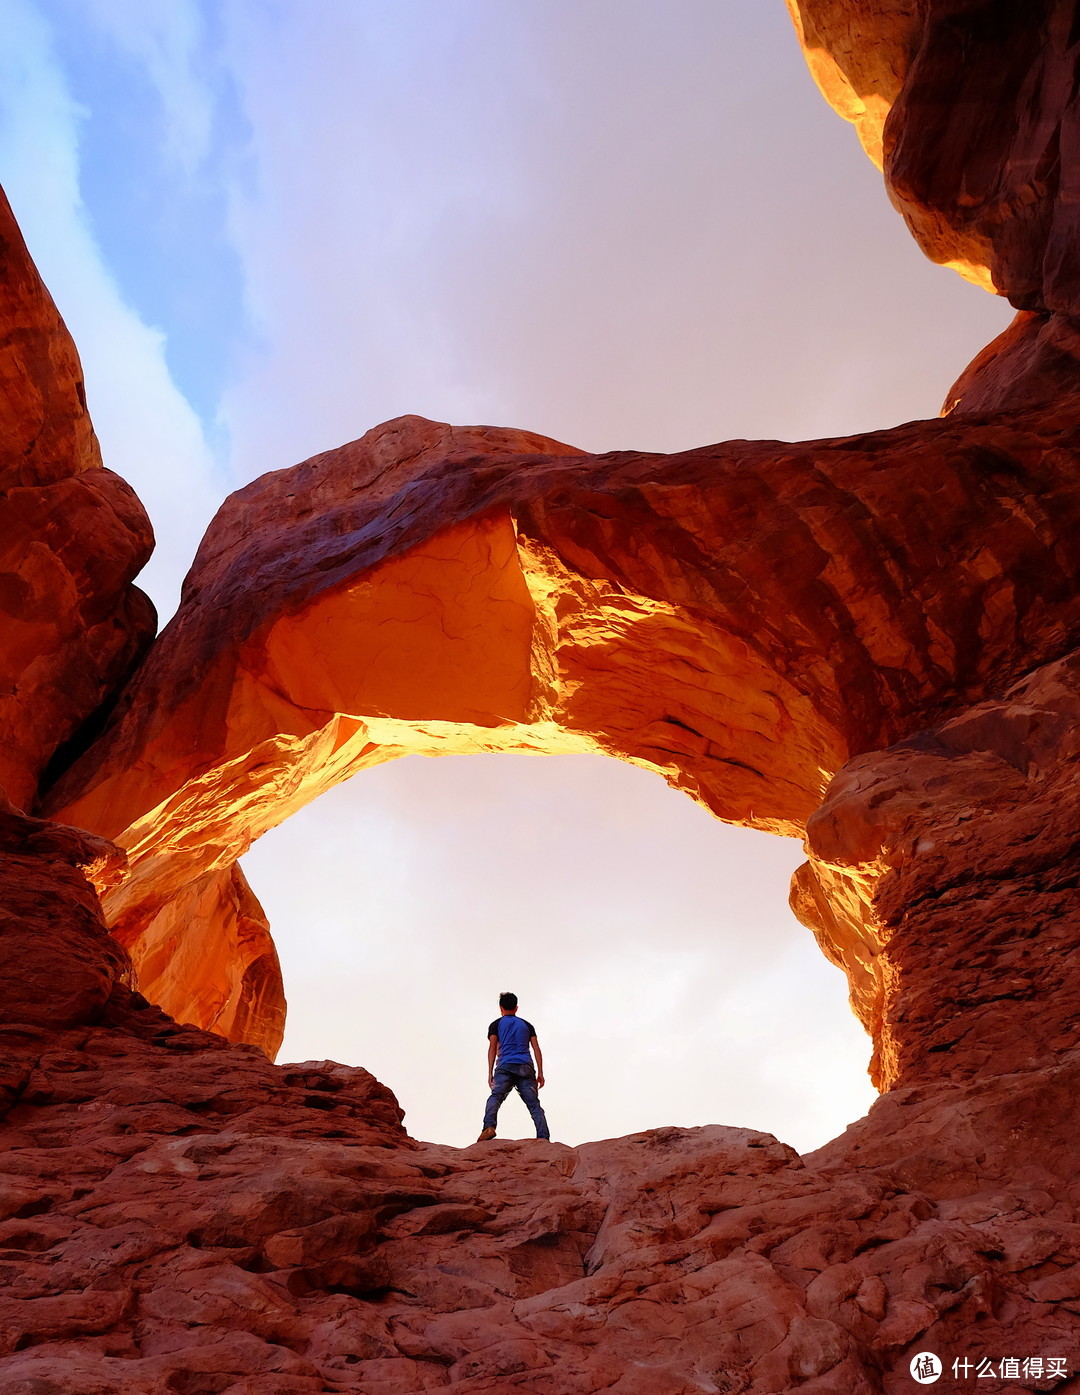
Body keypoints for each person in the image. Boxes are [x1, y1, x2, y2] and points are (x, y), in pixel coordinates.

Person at [477, 991, 550, 1141]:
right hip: (526, 1067)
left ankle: (489, 1127)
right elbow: (536, 1048)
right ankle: (543, 1138)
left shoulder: (496, 1024)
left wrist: (490, 1072)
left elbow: (492, 1048)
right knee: (534, 1105)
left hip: (505, 1066)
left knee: (496, 1097)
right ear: (516, 1008)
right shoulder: (527, 1025)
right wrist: (541, 1073)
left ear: (500, 1008)